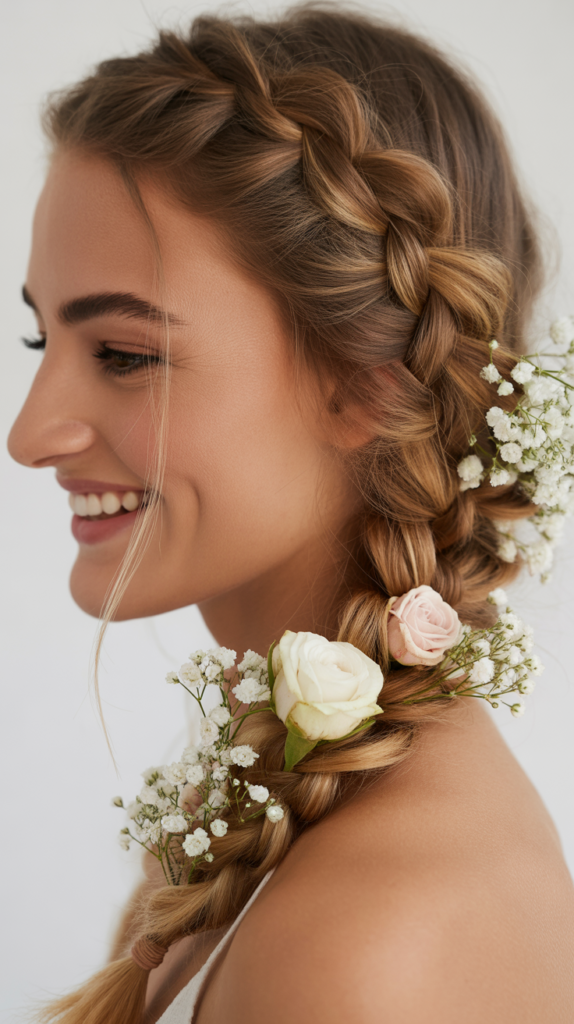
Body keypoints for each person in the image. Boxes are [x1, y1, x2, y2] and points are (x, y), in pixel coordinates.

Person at [7, 5, 574, 1022]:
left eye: (125, 354)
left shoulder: (369, 934)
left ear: (372, 385)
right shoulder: (276, 798)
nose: (31, 433)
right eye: (39, 340)